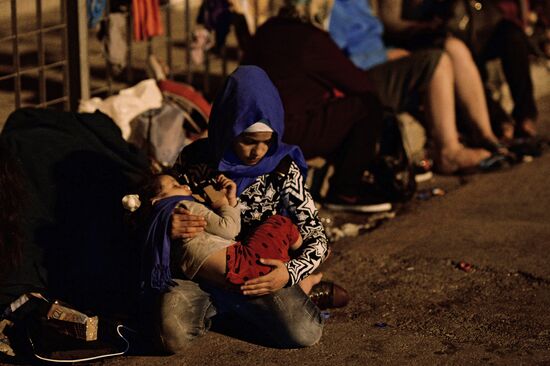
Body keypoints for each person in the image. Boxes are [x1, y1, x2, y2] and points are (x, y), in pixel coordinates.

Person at [157, 65, 347, 353]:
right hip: (203, 272)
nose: (258, 152)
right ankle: (239, 308)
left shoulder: (282, 168)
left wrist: (288, 274)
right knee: (171, 336)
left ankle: (296, 290)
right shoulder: (196, 159)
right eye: (247, 140)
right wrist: (167, 222)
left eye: (266, 142)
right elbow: (165, 203)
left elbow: (317, 237)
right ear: (227, 129)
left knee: (304, 333)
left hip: (260, 276)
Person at [242, 0, 507, 178]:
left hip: (379, 59)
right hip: (360, 72)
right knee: (435, 63)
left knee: (452, 49)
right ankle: (449, 151)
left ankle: (487, 136)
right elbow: (330, 59)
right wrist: (387, 57)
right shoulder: (326, 9)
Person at [134, 172, 321, 295]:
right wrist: (223, 203)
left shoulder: (159, 230)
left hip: (228, 281)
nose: (185, 186)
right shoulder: (185, 206)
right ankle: (300, 255)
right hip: (242, 263)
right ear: (156, 200)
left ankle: (305, 281)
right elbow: (229, 230)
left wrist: (230, 201)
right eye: (175, 185)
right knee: (280, 222)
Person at [377, 0, 539, 139]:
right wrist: (424, 25)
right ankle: (498, 122)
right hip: (431, 35)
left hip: (474, 28)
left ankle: (525, 115)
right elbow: (389, 20)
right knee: (455, 53)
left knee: (512, 35)